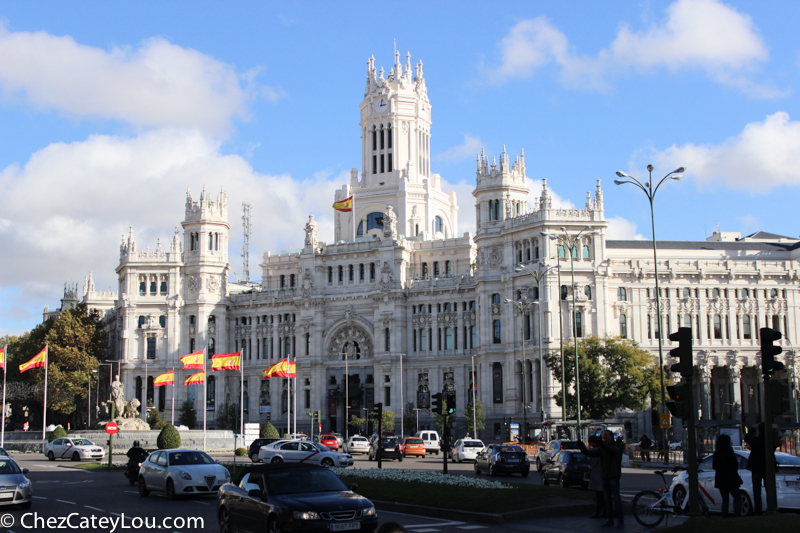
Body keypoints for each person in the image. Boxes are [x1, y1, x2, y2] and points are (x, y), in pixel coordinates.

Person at [579, 430, 625, 529]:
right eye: (603, 436)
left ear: (611, 437)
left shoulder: (615, 446)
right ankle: (610, 519)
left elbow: (611, 450)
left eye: (606, 436)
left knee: (616, 499)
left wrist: (601, 444)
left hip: (613, 476)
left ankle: (620, 520)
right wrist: (581, 446)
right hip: (604, 476)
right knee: (607, 500)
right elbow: (590, 453)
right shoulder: (602, 448)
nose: (604, 438)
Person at [713, 434, 742, 517]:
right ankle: (737, 515)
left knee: (725, 499)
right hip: (731, 478)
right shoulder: (730, 452)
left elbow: (714, 466)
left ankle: (725, 516)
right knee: (737, 498)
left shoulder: (716, 453)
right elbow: (734, 465)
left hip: (720, 479)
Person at [745, 423, 766, 515]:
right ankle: (770, 507)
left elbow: (747, 438)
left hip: (757, 467)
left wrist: (753, 429)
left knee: (757, 490)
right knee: (769, 489)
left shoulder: (757, 441)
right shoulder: (769, 440)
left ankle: (758, 510)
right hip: (767, 467)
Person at [586, 435, 606, 519]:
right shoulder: (603, 449)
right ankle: (603, 511)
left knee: (599, 495)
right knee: (602, 495)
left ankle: (599, 512)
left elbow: (592, 461)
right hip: (602, 474)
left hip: (597, 475)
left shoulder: (596, 451)